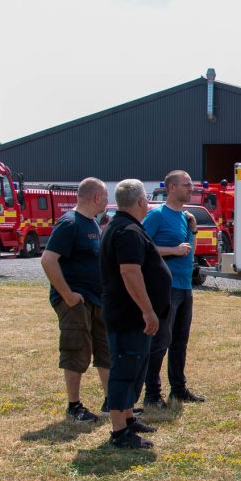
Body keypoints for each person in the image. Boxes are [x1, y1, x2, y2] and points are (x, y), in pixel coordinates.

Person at [100, 179, 171, 449]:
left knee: (133, 367)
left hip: (129, 314)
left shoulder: (121, 227)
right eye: (147, 200)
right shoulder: (127, 231)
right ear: (141, 201)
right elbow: (130, 272)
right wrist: (148, 311)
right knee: (125, 370)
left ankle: (128, 419)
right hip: (130, 315)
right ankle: (120, 431)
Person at [40, 177, 111, 423]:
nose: (107, 201)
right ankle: (74, 405)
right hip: (76, 301)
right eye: (105, 196)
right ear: (96, 197)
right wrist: (68, 295)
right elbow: (48, 260)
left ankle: (111, 401)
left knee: (105, 349)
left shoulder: (92, 223)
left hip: (97, 299)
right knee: (76, 349)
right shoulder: (69, 224)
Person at [142, 170, 205, 408]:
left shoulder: (186, 217)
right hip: (166, 288)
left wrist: (195, 229)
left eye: (191, 185)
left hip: (185, 286)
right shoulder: (158, 215)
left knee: (180, 341)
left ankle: (178, 389)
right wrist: (172, 251)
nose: (191, 189)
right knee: (160, 342)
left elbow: (191, 249)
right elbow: (143, 247)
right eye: (186, 185)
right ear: (171, 188)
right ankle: (152, 395)